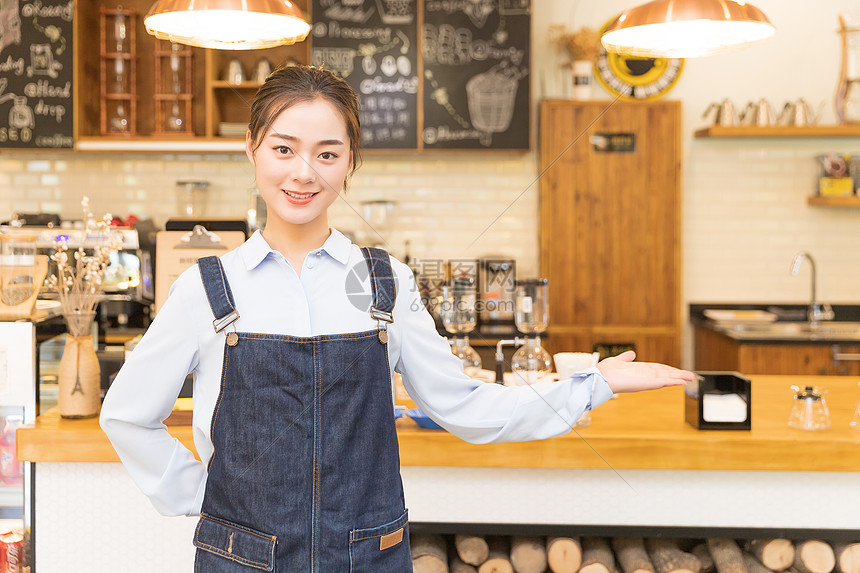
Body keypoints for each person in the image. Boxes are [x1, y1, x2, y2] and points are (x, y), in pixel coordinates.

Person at [100, 64, 694, 572]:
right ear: (251, 149)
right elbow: (128, 415)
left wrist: (594, 386)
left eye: (327, 154)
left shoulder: (388, 284)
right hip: (240, 558)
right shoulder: (207, 289)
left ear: (349, 162)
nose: (303, 173)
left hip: (371, 555)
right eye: (283, 148)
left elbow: (463, 406)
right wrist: (207, 495)